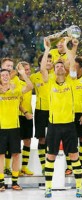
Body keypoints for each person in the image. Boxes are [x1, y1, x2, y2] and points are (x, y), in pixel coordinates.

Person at [41, 37, 82, 198]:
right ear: (54, 69)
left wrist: (67, 47)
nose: (59, 67)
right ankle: (48, 188)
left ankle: (79, 187)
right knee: (50, 156)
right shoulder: (49, 81)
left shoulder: (71, 81)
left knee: (73, 156)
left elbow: (72, 63)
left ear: (64, 69)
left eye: (61, 65)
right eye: (56, 65)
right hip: (53, 125)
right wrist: (47, 50)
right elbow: (43, 68)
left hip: (69, 125)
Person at [0, 63, 33, 191]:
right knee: (1, 155)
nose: (5, 77)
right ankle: (1, 182)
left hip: (14, 126)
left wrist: (23, 74)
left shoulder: (15, 89)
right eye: (2, 75)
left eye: (7, 74)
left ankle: (14, 182)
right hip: (1, 127)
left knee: (16, 154)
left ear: (10, 76)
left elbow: (30, 86)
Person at [65, 57, 82, 176]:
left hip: (81, 113)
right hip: (68, 114)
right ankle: (69, 166)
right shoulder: (68, 78)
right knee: (69, 140)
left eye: (75, 67)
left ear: (81, 68)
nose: (73, 69)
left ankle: (79, 166)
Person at [30, 54, 54, 175]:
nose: (49, 62)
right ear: (41, 63)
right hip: (40, 110)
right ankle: (44, 166)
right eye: (46, 60)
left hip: (53, 111)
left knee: (51, 138)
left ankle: (50, 165)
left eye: (51, 61)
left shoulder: (55, 76)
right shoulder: (34, 77)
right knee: (41, 138)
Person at [1, 57, 20, 176]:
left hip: (14, 120)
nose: (10, 68)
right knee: (1, 153)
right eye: (7, 66)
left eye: (11, 66)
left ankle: (13, 177)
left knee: (15, 152)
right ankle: (1, 179)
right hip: (1, 123)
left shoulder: (16, 80)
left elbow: (20, 94)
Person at [18, 61, 34, 175]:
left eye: (29, 69)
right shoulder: (14, 82)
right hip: (18, 115)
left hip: (28, 115)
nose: (28, 72)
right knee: (15, 143)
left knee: (27, 141)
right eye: (25, 70)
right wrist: (25, 112)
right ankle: (15, 168)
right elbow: (16, 101)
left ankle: (24, 167)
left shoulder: (30, 81)